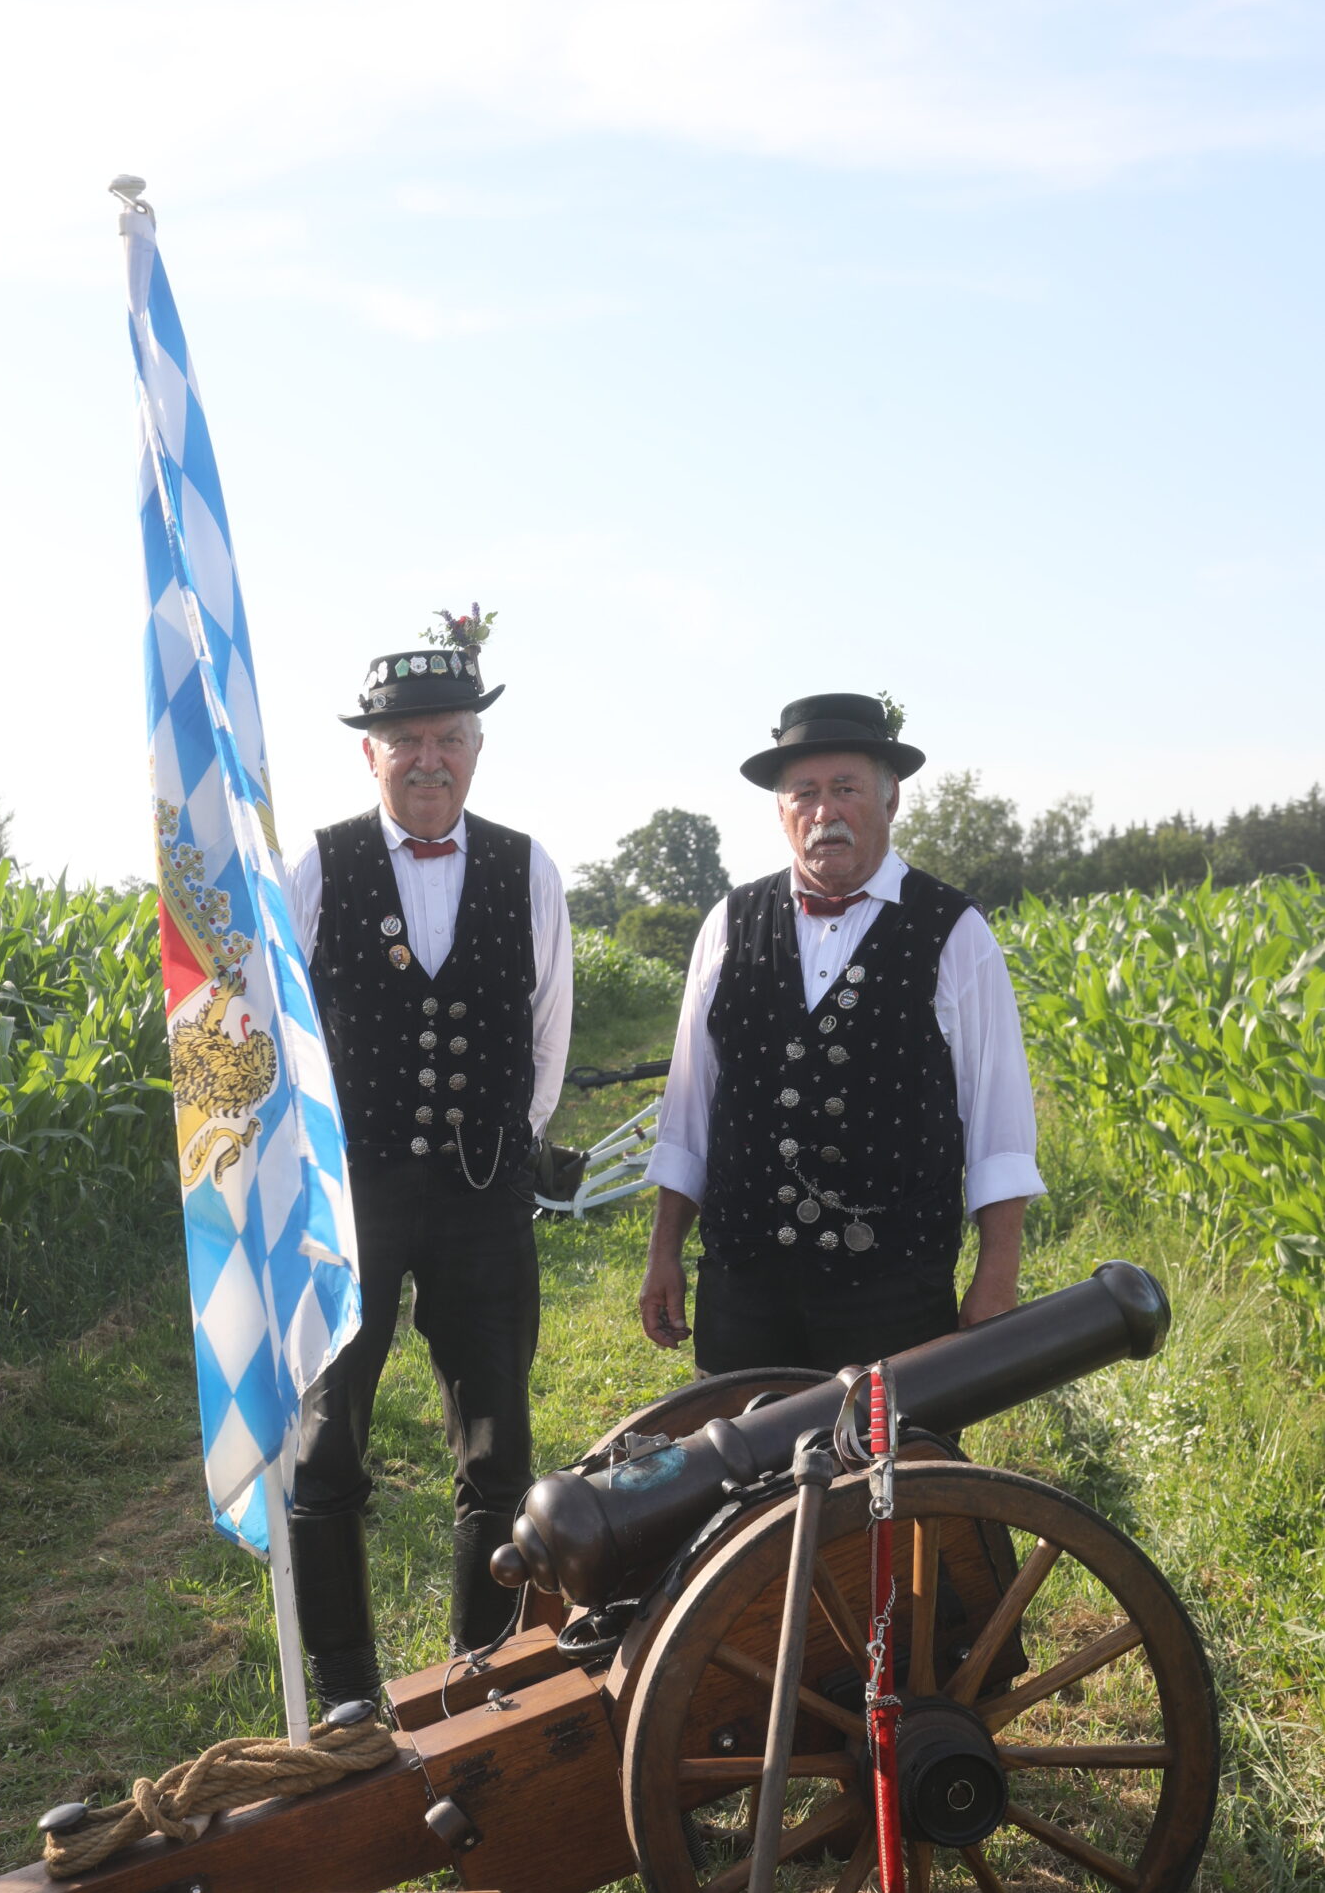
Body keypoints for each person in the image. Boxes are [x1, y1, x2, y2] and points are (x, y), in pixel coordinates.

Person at [283, 627, 571, 1705]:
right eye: (405, 739)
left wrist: (497, 1149)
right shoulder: (318, 865)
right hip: (348, 1194)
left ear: (477, 748)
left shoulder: (527, 867)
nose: (428, 758)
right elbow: (281, 1032)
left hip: (481, 1196)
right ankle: (346, 1689)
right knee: (325, 1441)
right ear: (370, 754)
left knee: (498, 1441)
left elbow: (547, 1037)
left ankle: (476, 1671)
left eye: (449, 736)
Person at [639, 691, 1043, 1377]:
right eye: (803, 793)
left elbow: (997, 1126)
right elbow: (689, 1115)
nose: (823, 812)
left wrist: (996, 1277)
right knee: (738, 1445)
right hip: (743, 1280)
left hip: (893, 1288)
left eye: (845, 789)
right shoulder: (728, 923)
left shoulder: (954, 931)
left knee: (891, 1450)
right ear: (780, 810)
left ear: (891, 799)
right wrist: (663, 1252)